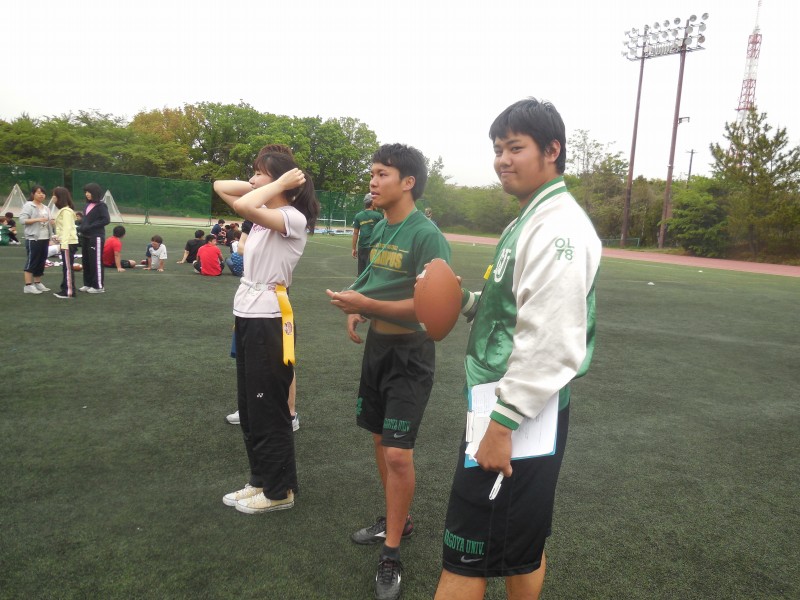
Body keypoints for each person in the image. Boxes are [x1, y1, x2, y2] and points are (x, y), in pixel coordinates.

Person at [433, 98, 602, 600]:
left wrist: (502, 424)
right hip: (516, 406)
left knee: (465, 555)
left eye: (515, 148)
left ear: (552, 150)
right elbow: (515, 309)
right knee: (519, 543)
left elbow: (552, 339)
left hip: (515, 411)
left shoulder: (558, 227)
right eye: (497, 149)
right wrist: (467, 303)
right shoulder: (532, 216)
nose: (502, 160)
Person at [326, 143, 451, 600]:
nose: (373, 181)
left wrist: (368, 303)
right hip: (377, 350)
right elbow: (374, 277)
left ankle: (391, 553)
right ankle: (400, 520)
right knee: (380, 441)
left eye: (382, 174)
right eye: (373, 173)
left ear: (408, 182)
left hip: (410, 355)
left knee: (398, 453)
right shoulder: (380, 226)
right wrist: (359, 306)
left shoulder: (427, 235)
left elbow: (434, 307)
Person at [214, 148, 319, 515]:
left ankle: (279, 490)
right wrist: (268, 182)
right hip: (248, 313)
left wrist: (276, 184)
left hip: (270, 318)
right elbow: (221, 186)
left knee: (268, 408)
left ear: (280, 182)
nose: (252, 179)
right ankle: (260, 480)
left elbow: (244, 205)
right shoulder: (263, 215)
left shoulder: (292, 217)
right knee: (250, 406)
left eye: (259, 174)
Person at [20, 184, 52, 294]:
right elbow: (22, 220)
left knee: (41, 260)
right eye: (38, 192)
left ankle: (38, 283)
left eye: (43, 193)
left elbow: (49, 223)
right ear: (33, 194)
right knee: (32, 261)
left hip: (45, 238)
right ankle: (28, 285)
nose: (41, 195)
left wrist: (51, 236)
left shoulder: (46, 208)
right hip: (33, 238)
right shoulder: (29, 206)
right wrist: (38, 219)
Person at [78, 182, 110, 294]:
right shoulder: (87, 205)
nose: (87, 194)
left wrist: (90, 227)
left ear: (95, 193)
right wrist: (80, 227)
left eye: (89, 192)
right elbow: (86, 220)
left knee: (95, 261)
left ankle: (98, 286)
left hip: (96, 237)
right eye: (86, 192)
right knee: (86, 261)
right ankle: (88, 284)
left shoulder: (101, 206)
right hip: (85, 237)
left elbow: (106, 220)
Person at [52, 187, 79, 299]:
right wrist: (58, 237)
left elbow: (67, 228)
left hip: (68, 243)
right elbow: (63, 228)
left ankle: (69, 291)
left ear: (59, 197)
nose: (53, 197)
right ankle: (66, 288)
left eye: (54, 195)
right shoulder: (64, 210)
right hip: (67, 242)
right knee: (66, 267)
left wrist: (64, 244)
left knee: (67, 268)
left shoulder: (66, 211)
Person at [351, 192, 384, 275]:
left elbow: (355, 233)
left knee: (361, 273)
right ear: (372, 203)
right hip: (373, 248)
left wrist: (353, 248)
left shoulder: (358, 216)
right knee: (371, 273)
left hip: (361, 247)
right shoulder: (378, 216)